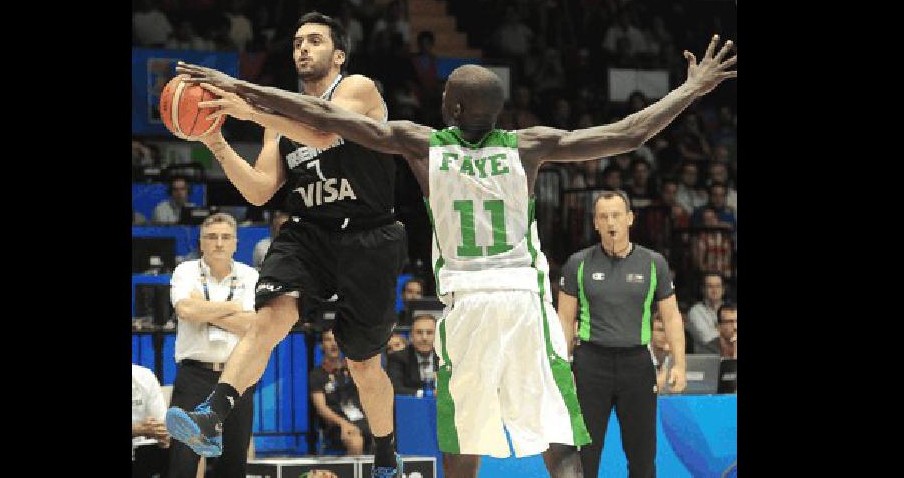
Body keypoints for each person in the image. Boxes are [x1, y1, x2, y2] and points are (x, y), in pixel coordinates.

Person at [188, 33, 735, 478]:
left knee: (461, 440)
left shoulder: (422, 143)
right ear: (497, 113)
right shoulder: (529, 145)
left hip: (467, 306)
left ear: (450, 105)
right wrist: (691, 90)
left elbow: (324, 118)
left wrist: (240, 89)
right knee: (556, 437)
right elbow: (627, 133)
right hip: (524, 302)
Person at [165, 12, 409, 477]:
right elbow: (260, 190)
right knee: (270, 317)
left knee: (363, 366)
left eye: (315, 41)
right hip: (310, 232)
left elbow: (321, 131)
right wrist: (216, 141)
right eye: (297, 42)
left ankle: (384, 456)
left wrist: (251, 109)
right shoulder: (277, 118)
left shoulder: (358, 89)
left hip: (368, 235)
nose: (303, 48)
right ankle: (211, 417)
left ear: (338, 55)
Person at [558, 190, 688, 478]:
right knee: (584, 457)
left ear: (630, 218)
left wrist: (679, 364)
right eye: (603, 216)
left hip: (637, 364)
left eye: (616, 215)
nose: (610, 222)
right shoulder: (577, 263)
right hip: (591, 364)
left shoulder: (654, 263)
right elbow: (564, 320)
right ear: (595, 223)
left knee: (642, 458)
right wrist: (562, 364)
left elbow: (671, 317)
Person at [166, 213, 260, 478]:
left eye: (225, 237)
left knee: (233, 462)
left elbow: (253, 325)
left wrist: (205, 310)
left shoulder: (250, 275)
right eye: (211, 237)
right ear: (201, 242)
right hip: (194, 375)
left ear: (235, 243)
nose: (218, 243)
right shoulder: (185, 271)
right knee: (183, 461)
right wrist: (232, 308)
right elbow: (185, 310)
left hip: (238, 377)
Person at [310, 329, 375, 455]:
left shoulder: (353, 370)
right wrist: (343, 424)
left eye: (337, 339)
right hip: (336, 425)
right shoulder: (316, 375)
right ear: (321, 345)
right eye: (328, 340)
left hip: (361, 419)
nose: (334, 343)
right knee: (355, 440)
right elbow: (321, 408)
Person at [386, 313, 440, 395]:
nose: (424, 338)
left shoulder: (446, 358)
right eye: (419, 332)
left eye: (429, 332)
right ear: (411, 335)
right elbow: (395, 389)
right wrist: (427, 394)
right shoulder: (397, 358)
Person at [132, 363, 170, 478]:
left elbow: (162, 426)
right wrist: (139, 430)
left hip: (143, 452)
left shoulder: (144, 376)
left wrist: (162, 435)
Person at [685, 272, 726, 354]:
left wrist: (718, 330)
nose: (715, 290)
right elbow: (708, 339)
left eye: (718, 286)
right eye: (710, 286)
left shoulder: (731, 310)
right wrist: (727, 332)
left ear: (723, 289)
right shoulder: (695, 312)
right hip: (706, 362)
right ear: (703, 289)